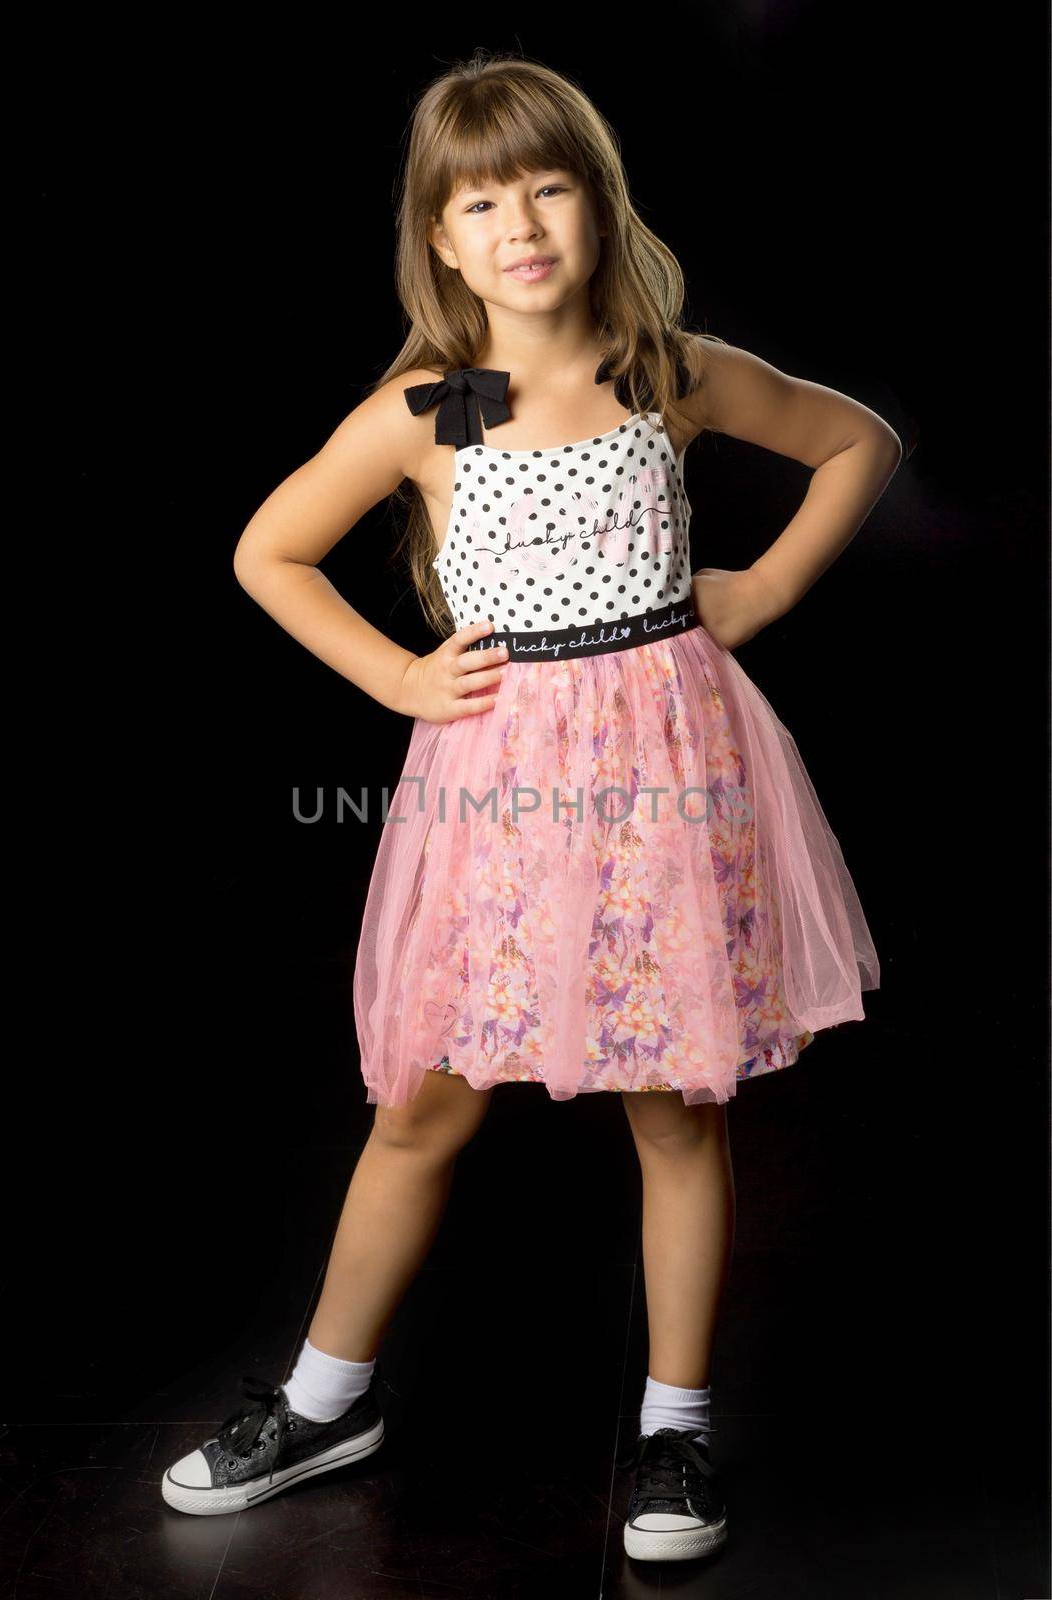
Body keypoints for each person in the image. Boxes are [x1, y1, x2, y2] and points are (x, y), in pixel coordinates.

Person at [161, 51, 900, 1565]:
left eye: (547, 185)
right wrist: (395, 682)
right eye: (479, 199)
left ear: (597, 200)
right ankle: (323, 1401)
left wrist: (760, 584)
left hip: (665, 785)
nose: (520, 223)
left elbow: (856, 440)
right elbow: (267, 551)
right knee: (424, 1101)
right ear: (440, 238)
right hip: (498, 797)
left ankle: (674, 1435)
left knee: (679, 1105)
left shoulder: (665, 371)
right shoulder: (426, 412)